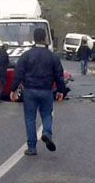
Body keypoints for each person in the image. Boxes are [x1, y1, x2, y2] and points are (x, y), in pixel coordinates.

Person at [10, 28, 66, 156]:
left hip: (29, 90)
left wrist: (13, 89)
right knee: (47, 114)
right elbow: (59, 75)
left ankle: (31, 147)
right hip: (46, 90)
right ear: (45, 38)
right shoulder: (52, 56)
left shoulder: (26, 55)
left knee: (30, 118)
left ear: (34, 38)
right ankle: (46, 132)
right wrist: (60, 90)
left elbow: (18, 74)